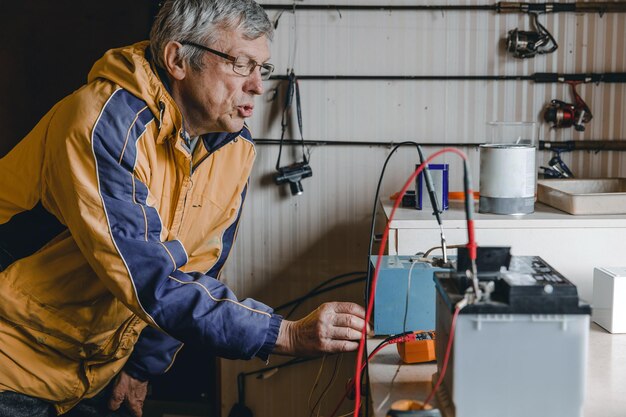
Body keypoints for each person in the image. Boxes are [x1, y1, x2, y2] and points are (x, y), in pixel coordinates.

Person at [0, 1, 367, 416]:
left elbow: (196, 269)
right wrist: (286, 335)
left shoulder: (234, 148)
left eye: (261, 68)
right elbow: (152, 281)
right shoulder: (102, 123)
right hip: (12, 360)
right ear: (178, 59)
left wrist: (141, 367)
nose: (257, 86)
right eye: (240, 64)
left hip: (90, 368)